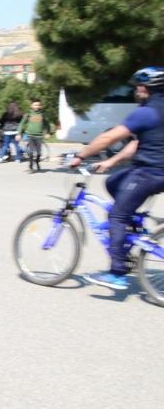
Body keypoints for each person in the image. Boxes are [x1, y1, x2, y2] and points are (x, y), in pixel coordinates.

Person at [69, 66, 164, 291]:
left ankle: (117, 273)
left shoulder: (147, 112)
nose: (135, 91)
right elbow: (137, 144)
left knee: (116, 216)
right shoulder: (156, 110)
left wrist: (81, 155)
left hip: (151, 173)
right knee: (112, 182)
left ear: (146, 87)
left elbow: (110, 137)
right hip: (152, 171)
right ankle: (131, 229)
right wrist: (111, 162)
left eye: (138, 87)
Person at [17, 98, 51, 172]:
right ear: (31, 105)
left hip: (39, 136)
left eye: (38, 105)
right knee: (31, 152)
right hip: (30, 135)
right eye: (35, 105)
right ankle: (31, 167)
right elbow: (22, 123)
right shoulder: (28, 114)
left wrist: (48, 132)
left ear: (40, 106)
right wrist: (19, 133)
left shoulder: (42, 114)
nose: (36, 106)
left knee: (39, 153)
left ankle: (37, 162)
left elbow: (47, 124)